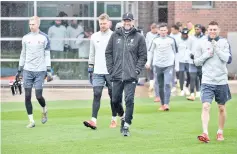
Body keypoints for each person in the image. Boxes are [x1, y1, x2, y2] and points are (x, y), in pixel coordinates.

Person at [105, 12, 147, 136]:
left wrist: (137, 70)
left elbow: (143, 56)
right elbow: (108, 53)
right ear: (122, 22)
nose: (127, 23)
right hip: (116, 74)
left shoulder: (139, 37)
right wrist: (111, 69)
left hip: (131, 76)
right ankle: (122, 116)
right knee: (115, 100)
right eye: (125, 20)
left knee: (129, 100)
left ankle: (126, 126)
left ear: (133, 22)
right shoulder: (115, 35)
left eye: (129, 20)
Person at [194, 21, 232, 143]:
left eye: (214, 29)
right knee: (205, 106)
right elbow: (197, 62)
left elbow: (228, 59)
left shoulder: (224, 42)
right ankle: (205, 133)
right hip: (207, 80)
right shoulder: (201, 43)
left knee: (221, 108)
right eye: (210, 29)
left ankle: (220, 132)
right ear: (207, 31)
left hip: (221, 81)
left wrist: (217, 50)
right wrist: (207, 54)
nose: (212, 31)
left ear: (218, 30)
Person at [16, 16, 52, 128]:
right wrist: (19, 69)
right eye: (30, 24)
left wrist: (48, 70)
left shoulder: (44, 37)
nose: (31, 26)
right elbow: (23, 54)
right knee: (27, 96)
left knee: (38, 96)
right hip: (27, 70)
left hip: (40, 71)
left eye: (33, 24)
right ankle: (31, 121)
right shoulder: (25, 38)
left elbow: (47, 55)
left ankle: (44, 110)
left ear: (38, 25)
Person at [83, 13, 117, 130]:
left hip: (111, 72)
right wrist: (90, 68)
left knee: (113, 96)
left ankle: (114, 119)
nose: (102, 25)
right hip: (97, 71)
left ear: (109, 23)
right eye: (101, 23)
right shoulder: (94, 37)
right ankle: (93, 121)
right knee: (96, 94)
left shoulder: (114, 36)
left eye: (104, 23)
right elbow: (92, 53)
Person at [146, 23, 177, 111]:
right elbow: (150, 52)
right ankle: (162, 104)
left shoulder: (171, 40)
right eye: (161, 30)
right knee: (160, 85)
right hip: (157, 65)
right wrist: (149, 62)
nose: (163, 32)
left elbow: (175, 52)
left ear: (167, 31)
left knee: (167, 84)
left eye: (164, 30)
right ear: (158, 31)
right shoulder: (155, 40)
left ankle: (167, 103)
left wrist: (176, 65)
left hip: (168, 65)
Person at [187, 24, 206, 101]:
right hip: (192, 61)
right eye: (196, 29)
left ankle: (201, 93)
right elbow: (188, 48)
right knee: (192, 77)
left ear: (201, 30)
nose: (197, 30)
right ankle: (192, 94)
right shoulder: (191, 38)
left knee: (201, 77)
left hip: (201, 61)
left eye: (198, 29)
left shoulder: (205, 38)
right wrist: (190, 54)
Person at [145, 23, 160, 101]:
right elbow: (147, 44)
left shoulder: (159, 35)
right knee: (150, 69)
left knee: (156, 70)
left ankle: (155, 85)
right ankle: (151, 85)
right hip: (149, 53)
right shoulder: (148, 35)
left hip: (157, 55)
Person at [177, 28, 191, 96]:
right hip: (181, 60)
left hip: (189, 60)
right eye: (183, 34)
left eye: (186, 34)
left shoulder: (191, 40)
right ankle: (182, 89)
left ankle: (186, 87)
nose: (184, 35)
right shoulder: (178, 40)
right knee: (181, 75)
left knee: (189, 75)